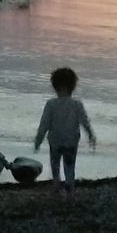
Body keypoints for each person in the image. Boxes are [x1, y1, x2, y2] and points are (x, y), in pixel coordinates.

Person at [33, 66, 96, 195]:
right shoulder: (76, 104)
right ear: (73, 86)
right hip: (71, 141)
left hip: (55, 141)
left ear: (55, 86)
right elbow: (85, 122)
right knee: (70, 166)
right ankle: (70, 189)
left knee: (55, 165)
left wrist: (38, 141)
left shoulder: (51, 104)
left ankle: (56, 185)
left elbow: (44, 124)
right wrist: (90, 135)